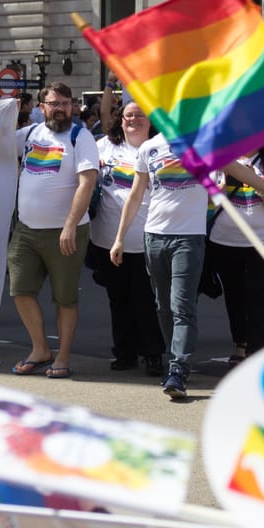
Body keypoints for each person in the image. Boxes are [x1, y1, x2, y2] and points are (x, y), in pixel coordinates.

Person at [112, 128, 264, 399]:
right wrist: (120, 238)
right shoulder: (150, 147)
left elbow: (240, 172)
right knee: (163, 306)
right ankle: (175, 361)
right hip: (154, 236)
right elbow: (136, 195)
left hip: (189, 238)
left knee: (182, 305)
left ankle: (179, 370)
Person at [8, 82, 99, 380]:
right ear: (41, 107)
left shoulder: (80, 136)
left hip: (65, 232)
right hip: (26, 231)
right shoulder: (31, 134)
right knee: (20, 290)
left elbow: (87, 182)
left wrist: (70, 225)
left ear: (72, 106)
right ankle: (40, 349)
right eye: (53, 103)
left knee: (65, 299)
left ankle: (62, 356)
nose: (60, 108)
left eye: (65, 103)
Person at [86, 100, 165, 377]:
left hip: (148, 238)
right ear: (120, 120)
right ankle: (125, 352)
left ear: (150, 121)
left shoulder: (159, 147)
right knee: (118, 299)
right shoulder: (103, 147)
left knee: (147, 301)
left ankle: (153, 354)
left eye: (140, 116)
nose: (133, 120)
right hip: (108, 240)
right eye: (128, 115)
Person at [207, 146, 264, 365]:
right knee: (234, 295)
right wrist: (222, 186)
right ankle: (240, 345)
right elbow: (211, 199)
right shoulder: (222, 159)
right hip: (224, 238)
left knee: (257, 294)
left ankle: (255, 350)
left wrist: (260, 185)